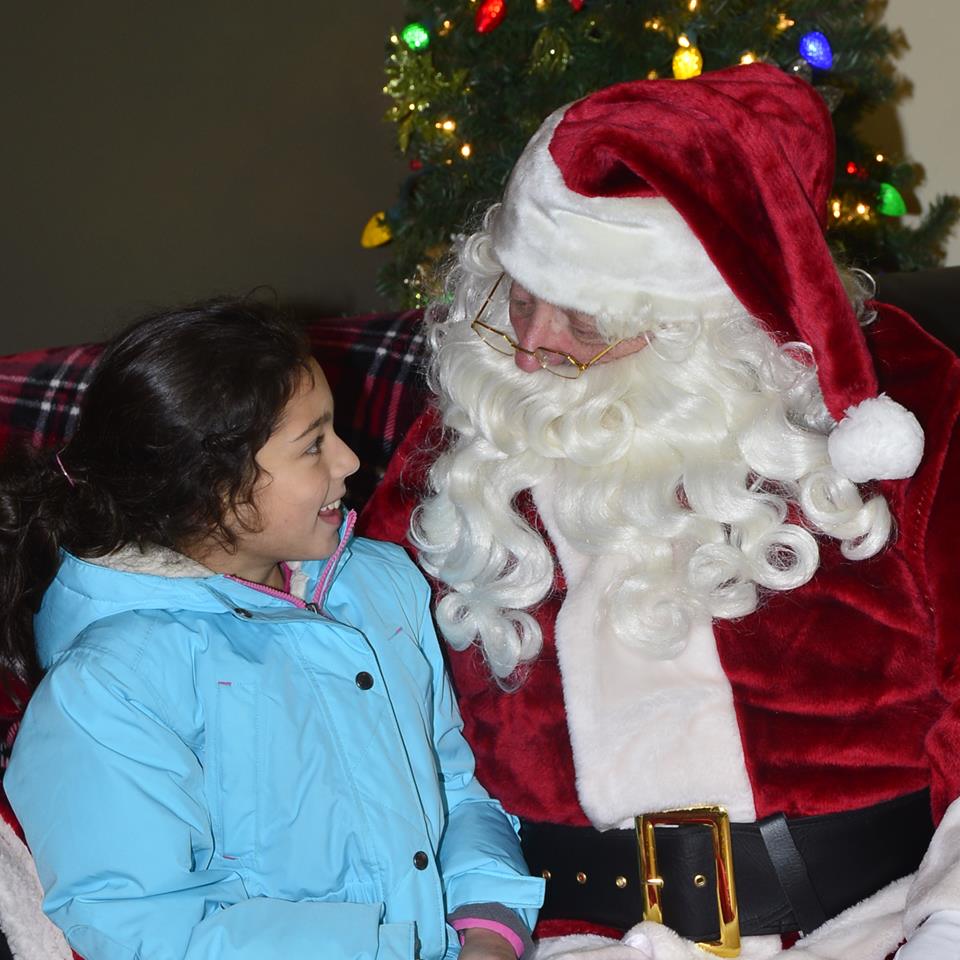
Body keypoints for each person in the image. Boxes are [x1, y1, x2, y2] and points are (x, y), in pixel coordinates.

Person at [358, 63, 960, 960]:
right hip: (559, 937)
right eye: (517, 300)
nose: (528, 353)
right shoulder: (465, 443)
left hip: (870, 923)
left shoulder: (901, 406)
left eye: (585, 323)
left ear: (702, 322)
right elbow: (349, 695)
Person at [0, 297, 544, 960]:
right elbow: (148, 929)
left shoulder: (379, 585)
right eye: (313, 444)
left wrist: (488, 926)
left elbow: (453, 787)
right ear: (211, 487)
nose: (349, 460)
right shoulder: (109, 686)